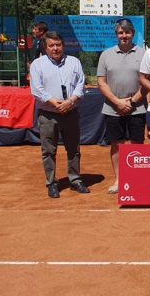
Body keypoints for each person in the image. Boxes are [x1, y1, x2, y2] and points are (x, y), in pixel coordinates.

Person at [30, 31, 89, 198]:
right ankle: (52, 183)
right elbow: (37, 89)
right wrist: (54, 103)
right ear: (45, 47)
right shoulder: (37, 64)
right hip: (48, 114)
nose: (55, 48)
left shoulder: (74, 62)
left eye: (58, 45)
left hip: (71, 112)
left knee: (74, 149)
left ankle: (75, 179)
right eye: (51, 45)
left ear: (63, 45)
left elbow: (81, 84)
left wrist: (70, 101)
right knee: (48, 150)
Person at [97, 19, 147, 194]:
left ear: (133, 34)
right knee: (117, 144)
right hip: (112, 108)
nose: (124, 36)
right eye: (120, 33)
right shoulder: (106, 54)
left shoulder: (143, 54)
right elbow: (101, 82)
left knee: (137, 144)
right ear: (116, 35)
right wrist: (117, 102)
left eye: (127, 32)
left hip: (138, 107)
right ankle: (120, 180)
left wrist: (132, 102)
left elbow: (147, 82)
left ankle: (137, 179)